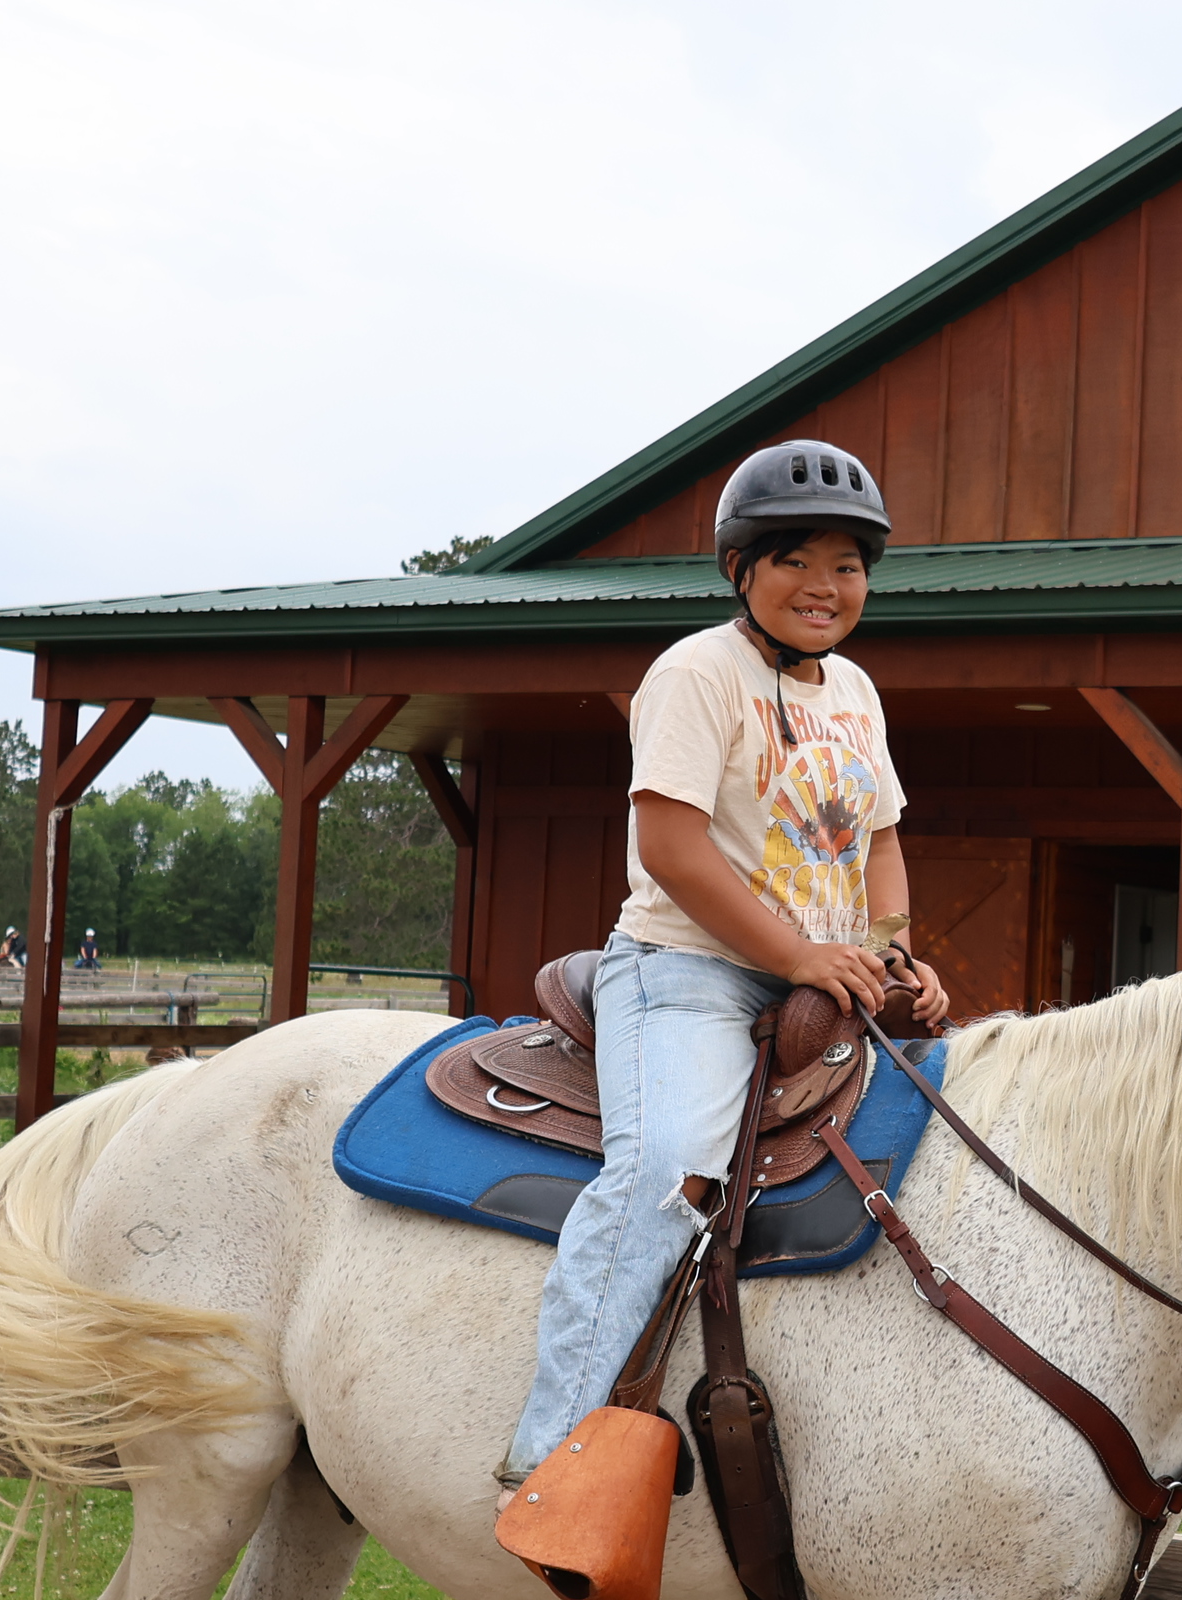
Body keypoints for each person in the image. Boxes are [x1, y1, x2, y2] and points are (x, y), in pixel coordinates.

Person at [499, 439, 951, 1504]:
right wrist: (800, 954)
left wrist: (890, 947)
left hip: (822, 981)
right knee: (665, 1174)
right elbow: (671, 846)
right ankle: (550, 1459)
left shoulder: (856, 690)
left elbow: (880, 838)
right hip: (689, 971)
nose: (825, 586)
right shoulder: (696, 673)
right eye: (795, 559)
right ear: (741, 568)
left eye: (847, 566)